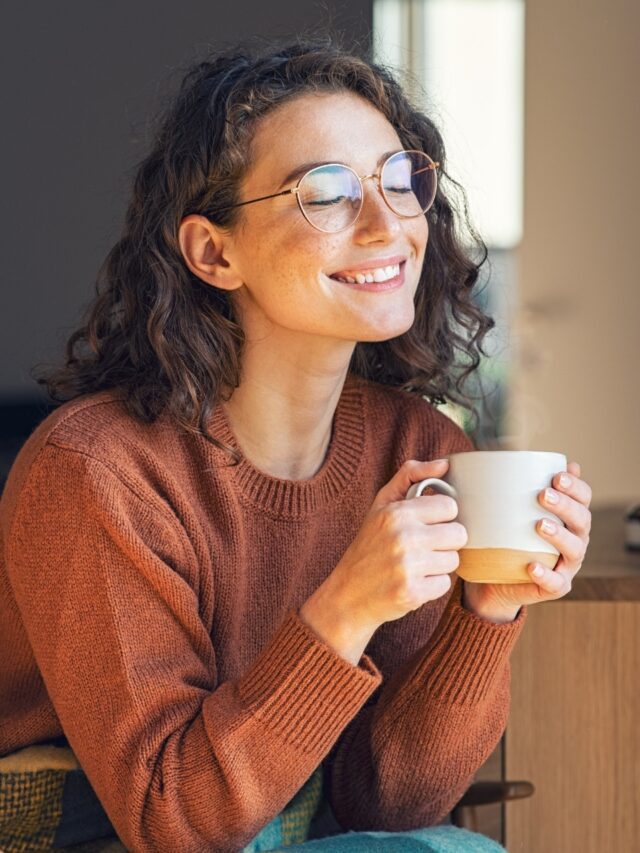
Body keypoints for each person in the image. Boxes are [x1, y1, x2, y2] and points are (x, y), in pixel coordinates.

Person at [0, 35, 592, 853]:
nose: (388, 224)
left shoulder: (419, 447)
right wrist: (345, 606)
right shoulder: (99, 472)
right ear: (215, 251)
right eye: (327, 193)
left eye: (400, 180)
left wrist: (485, 611)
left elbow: (388, 806)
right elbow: (170, 821)